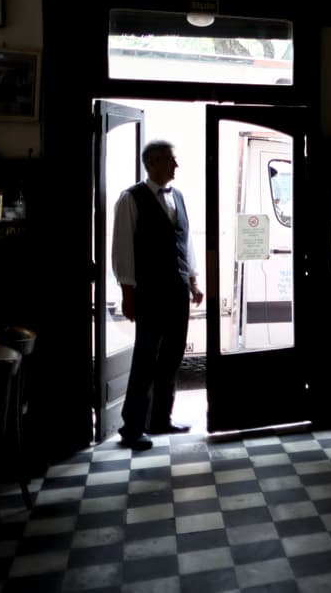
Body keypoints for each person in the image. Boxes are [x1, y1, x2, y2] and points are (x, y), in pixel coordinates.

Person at [111, 140, 204, 450]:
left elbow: (186, 242)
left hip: (178, 287)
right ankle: (132, 426)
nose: (175, 166)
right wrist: (128, 292)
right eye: (169, 160)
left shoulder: (178, 196)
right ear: (151, 163)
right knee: (146, 357)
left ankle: (160, 418)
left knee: (172, 355)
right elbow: (122, 248)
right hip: (149, 290)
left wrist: (193, 281)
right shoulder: (131, 198)